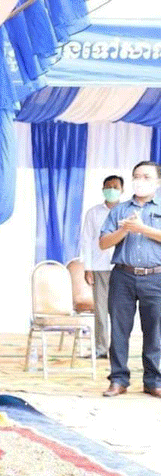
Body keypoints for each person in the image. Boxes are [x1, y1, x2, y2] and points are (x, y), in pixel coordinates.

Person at [99, 161, 161, 399]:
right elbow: (103, 243)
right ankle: (118, 380)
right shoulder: (119, 210)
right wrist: (124, 230)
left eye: (146, 177)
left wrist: (142, 228)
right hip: (123, 275)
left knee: (155, 331)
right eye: (136, 176)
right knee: (119, 329)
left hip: (155, 276)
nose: (140, 181)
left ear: (157, 182)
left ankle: (153, 381)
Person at [81, 176, 123, 359]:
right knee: (100, 309)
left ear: (122, 190)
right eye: (108, 187)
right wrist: (88, 268)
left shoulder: (127, 211)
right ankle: (101, 348)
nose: (111, 190)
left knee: (120, 311)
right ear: (103, 189)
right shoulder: (94, 213)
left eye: (115, 187)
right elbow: (87, 240)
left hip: (122, 267)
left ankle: (119, 349)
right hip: (100, 267)